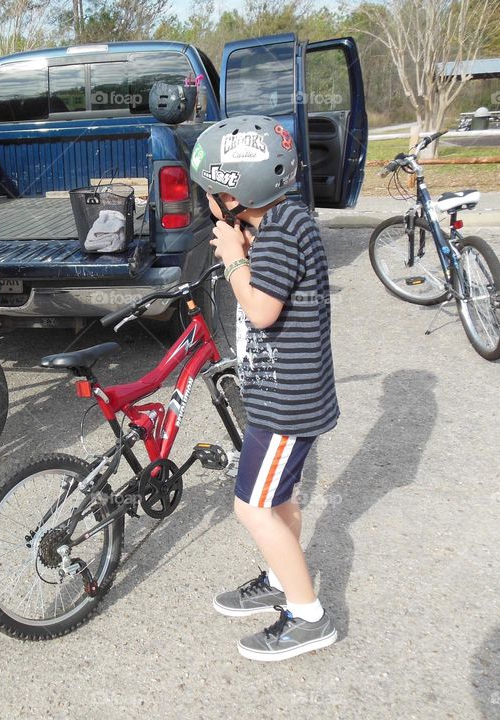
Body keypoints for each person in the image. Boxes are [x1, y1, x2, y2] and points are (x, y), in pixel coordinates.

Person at [189, 115, 340, 661]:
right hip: (294, 396)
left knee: (251, 508)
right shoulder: (289, 219)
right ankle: (283, 578)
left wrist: (233, 257)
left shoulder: (276, 234)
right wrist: (246, 245)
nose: (208, 201)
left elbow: (260, 307)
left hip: (285, 406)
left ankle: (307, 616)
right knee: (280, 499)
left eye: (211, 191)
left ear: (235, 194)